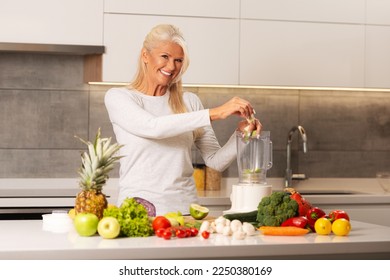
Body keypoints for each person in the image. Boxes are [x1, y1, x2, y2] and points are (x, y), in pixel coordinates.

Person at [104, 24, 261, 215]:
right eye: (165, 57)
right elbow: (153, 127)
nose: (171, 66)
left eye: (178, 60)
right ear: (145, 55)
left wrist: (242, 135)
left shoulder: (189, 102)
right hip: (138, 212)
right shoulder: (119, 98)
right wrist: (214, 113)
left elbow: (215, 161)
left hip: (186, 212)